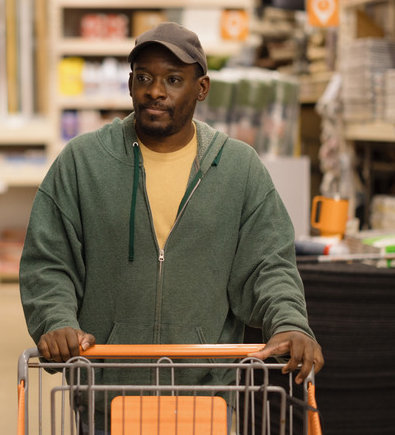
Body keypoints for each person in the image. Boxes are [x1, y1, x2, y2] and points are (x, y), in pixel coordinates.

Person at [19, 21, 323, 431]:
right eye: (143, 77)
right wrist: (55, 320)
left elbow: (269, 265)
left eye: (173, 79)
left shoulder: (239, 169)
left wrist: (289, 322)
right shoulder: (82, 163)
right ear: (129, 84)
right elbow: (48, 259)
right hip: (106, 398)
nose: (155, 91)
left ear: (201, 88)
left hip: (210, 399)